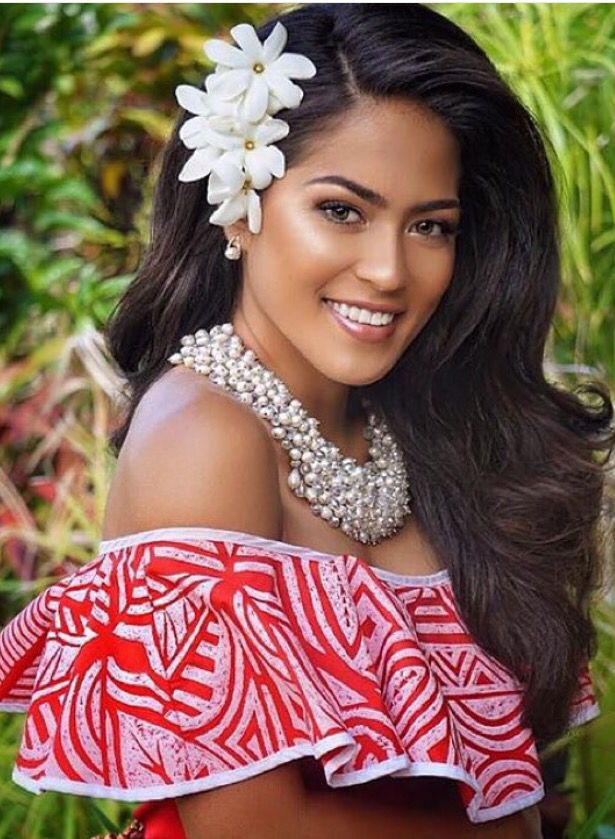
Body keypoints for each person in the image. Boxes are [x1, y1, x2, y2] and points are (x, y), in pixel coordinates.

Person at [1, 4, 613, 838]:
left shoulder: (419, 436)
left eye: (431, 226)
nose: (390, 270)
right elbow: (251, 825)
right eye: (341, 210)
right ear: (237, 201)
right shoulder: (205, 436)